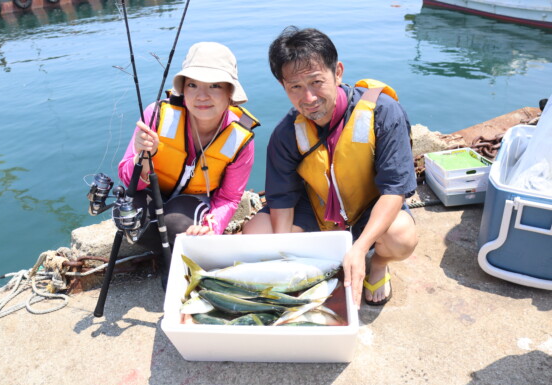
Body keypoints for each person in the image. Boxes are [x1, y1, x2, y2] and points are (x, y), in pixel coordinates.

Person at [243, 27, 418, 309]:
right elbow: (282, 197)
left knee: (401, 236)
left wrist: (361, 249)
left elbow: (395, 189)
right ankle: (316, 262)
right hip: (316, 210)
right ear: (284, 87)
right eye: (295, 87)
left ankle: (379, 264)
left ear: (337, 72)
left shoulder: (383, 112)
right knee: (256, 233)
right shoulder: (286, 133)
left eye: (316, 82)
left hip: (367, 208)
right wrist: (282, 256)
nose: (309, 98)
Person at [118, 42, 260, 285]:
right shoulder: (157, 114)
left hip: (194, 203)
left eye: (214, 86)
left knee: (177, 224)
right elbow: (126, 175)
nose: (201, 96)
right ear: (183, 88)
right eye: (192, 85)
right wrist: (143, 157)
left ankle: (176, 256)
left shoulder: (240, 138)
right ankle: (170, 252)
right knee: (127, 216)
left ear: (230, 93)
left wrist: (211, 227)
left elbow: (229, 197)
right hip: (154, 193)